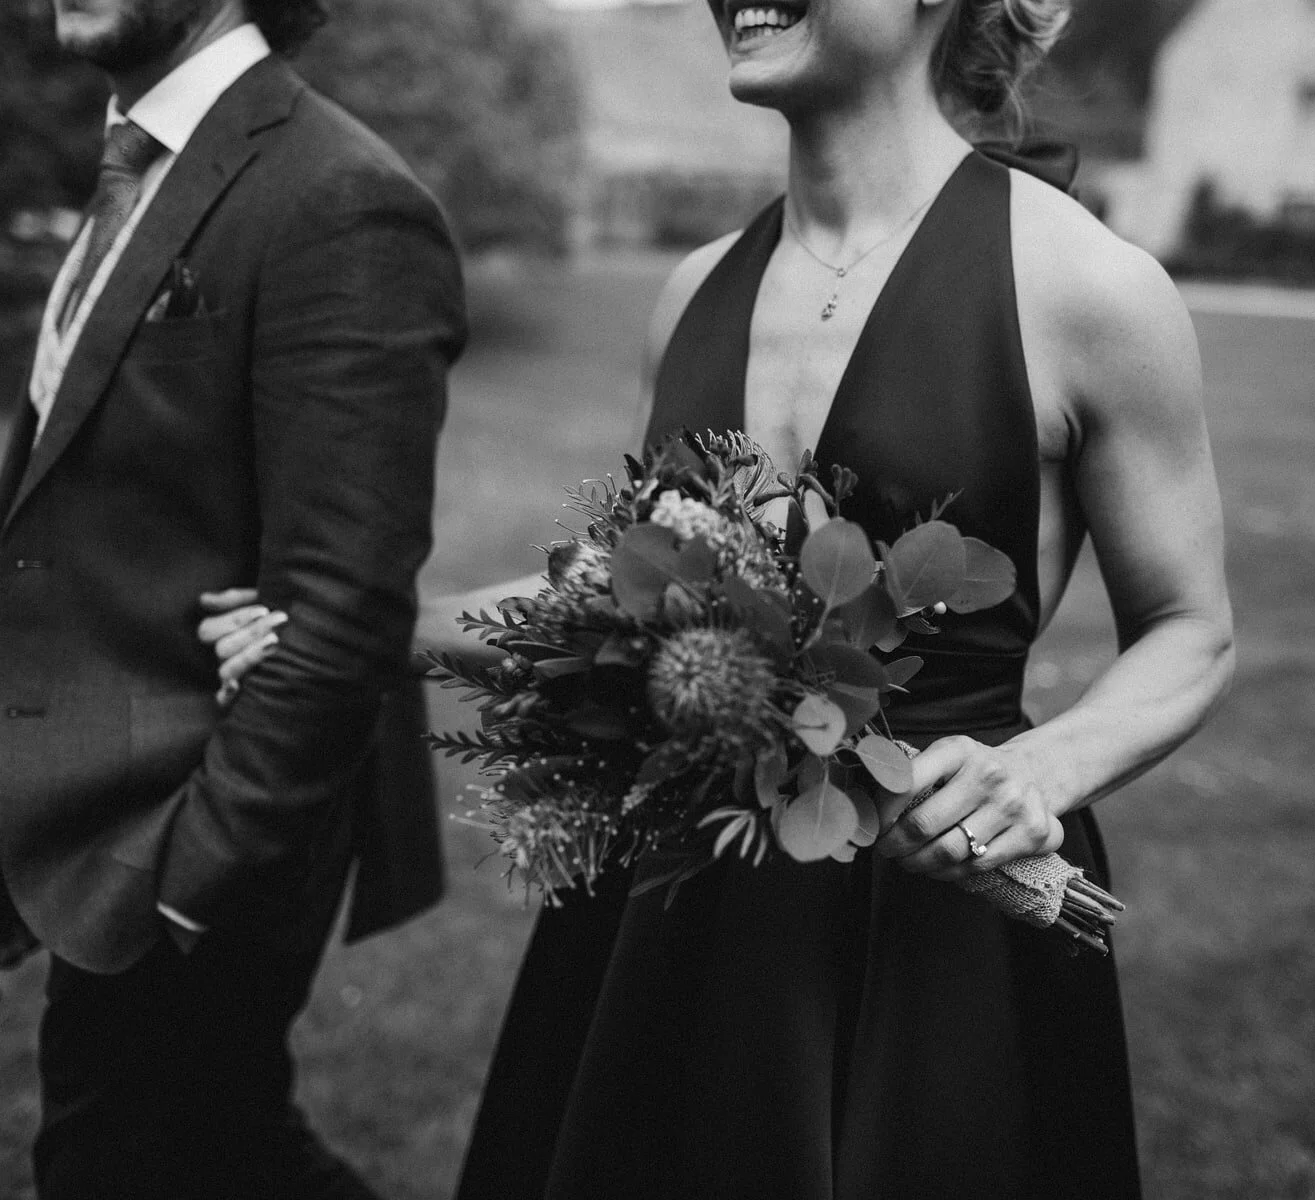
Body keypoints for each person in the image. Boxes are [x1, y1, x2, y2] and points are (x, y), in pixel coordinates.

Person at [215, 0, 1232, 1194]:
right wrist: (339, 633)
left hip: (929, 934)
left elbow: (1191, 630)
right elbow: (632, 597)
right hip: (671, 914)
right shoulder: (692, 291)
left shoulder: (1088, 289)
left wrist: (1043, 773)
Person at [0, 0, 467, 1195]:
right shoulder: (140, 160)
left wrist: (191, 887)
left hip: (203, 824)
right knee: (219, 1150)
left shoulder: (338, 198)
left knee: (122, 1156)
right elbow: (61, 518)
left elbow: (344, 604)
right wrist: (7, 834)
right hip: (95, 811)